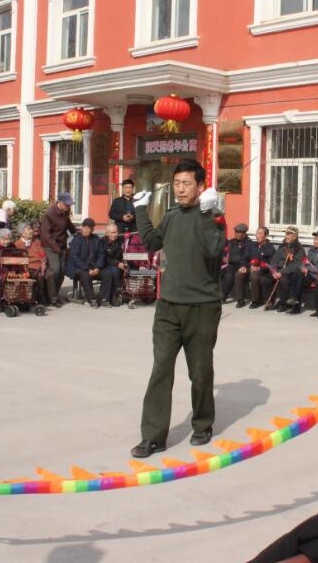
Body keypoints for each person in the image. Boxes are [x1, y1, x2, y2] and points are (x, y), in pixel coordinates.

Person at [130, 159, 226, 459]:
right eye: (177, 184)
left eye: (186, 184)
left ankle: (203, 424)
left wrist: (208, 213)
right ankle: (153, 436)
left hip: (202, 307)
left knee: (200, 371)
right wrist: (141, 209)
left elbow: (214, 250)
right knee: (160, 369)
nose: (180, 189)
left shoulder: (214, 216)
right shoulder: (171, 216)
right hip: (168, 306)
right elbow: (151, 242)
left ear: (201, 186)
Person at [282, 228, 318, 315]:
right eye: (314, 239)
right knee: (297, 274)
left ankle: (295, 302)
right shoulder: (311, 249)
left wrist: (308, 269)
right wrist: (303, 267)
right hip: (309, 275)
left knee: (298, 279)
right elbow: (304, 261)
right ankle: (294, 301)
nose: (315, 241)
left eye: (317, 239)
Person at [40, 192, 77, 303]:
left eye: (69, 204)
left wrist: (75, 231)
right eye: (67, 204)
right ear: (60, 203)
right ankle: (50, 297)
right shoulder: (49, 214)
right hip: (51, 247)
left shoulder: (65, 212)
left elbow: (68, 224)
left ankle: (55, 294)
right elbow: (46, 235)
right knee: (55, 270)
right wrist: (56, 248)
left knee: (62, 272)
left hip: (62, 246)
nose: (68, 206)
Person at [15, 221, 57, 307]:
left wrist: (43, 263)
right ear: (22, 233)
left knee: (51, 274)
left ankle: (53, 299)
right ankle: (40, 299)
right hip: (28, 267)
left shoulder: (36, 241)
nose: (31, 231)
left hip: (40, 266)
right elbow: (19, 260)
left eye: (31, 229)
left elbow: (42, 254)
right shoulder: (17, 244)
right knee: (39, 276)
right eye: (28, 229)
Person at [67, 218, 105, 307]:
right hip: (77, 268)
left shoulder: (96, 239)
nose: (85, 230)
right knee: (85, 275)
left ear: (92, 230)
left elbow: (101, 254)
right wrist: (87, 269)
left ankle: (103, 297)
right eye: (84, 227)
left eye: (88, 228)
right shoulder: (76, 239)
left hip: (93, 267)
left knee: (107, 274)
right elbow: (74, 258)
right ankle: (92, 299)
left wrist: (98, 267)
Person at [267, 226, 305, 311]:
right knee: (265, 279)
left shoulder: (299, 249)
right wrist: (274, 271)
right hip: (277, 271)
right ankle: (270, 301)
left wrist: (281, 272)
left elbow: (295, 265)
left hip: (289, 272)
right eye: (286, 234)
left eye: (288, 234)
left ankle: (283, 303)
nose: (286, 236)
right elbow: (274, 260)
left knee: (283, 280)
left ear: (295, 236)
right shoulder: (282, 246)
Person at [221, 223, 256, 307]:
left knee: (238, 275)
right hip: (232, 265)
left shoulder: (249, 244)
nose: (237, 234)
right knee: (229, 276)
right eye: (236, 232)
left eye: (239, 232)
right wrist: (223, 257)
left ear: (244, 234)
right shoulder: (231, 242)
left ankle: (240, 300)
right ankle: (222, 297)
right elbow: (225, 252)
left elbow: (245, 257)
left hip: (245, 266)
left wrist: (231, 259)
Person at [248, 226, 278, 308]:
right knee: (238, 273)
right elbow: (246, 258)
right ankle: (240, 300)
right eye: (256, 233)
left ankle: (255, 301)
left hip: (265, 272)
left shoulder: (270, 249)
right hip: (251, 268)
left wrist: (260, 268)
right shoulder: (253, 246)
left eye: (260, 234)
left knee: (255, 275)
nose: (257, 236)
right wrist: (248, 266)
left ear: (266, 236)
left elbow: (272, 265)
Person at [97, 222, 126, 306]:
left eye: (115, 232)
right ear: (107, 233)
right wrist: (117, 263)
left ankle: (120, 295)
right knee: (114, 271)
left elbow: (122, 255)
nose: (114, 235)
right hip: (105, 266)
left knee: (120, 270)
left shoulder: (120, 242)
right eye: (111, 233)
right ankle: (111, 297)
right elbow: (104, 258)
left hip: (117, 266)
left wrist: (123, 262)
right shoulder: (102, 242)